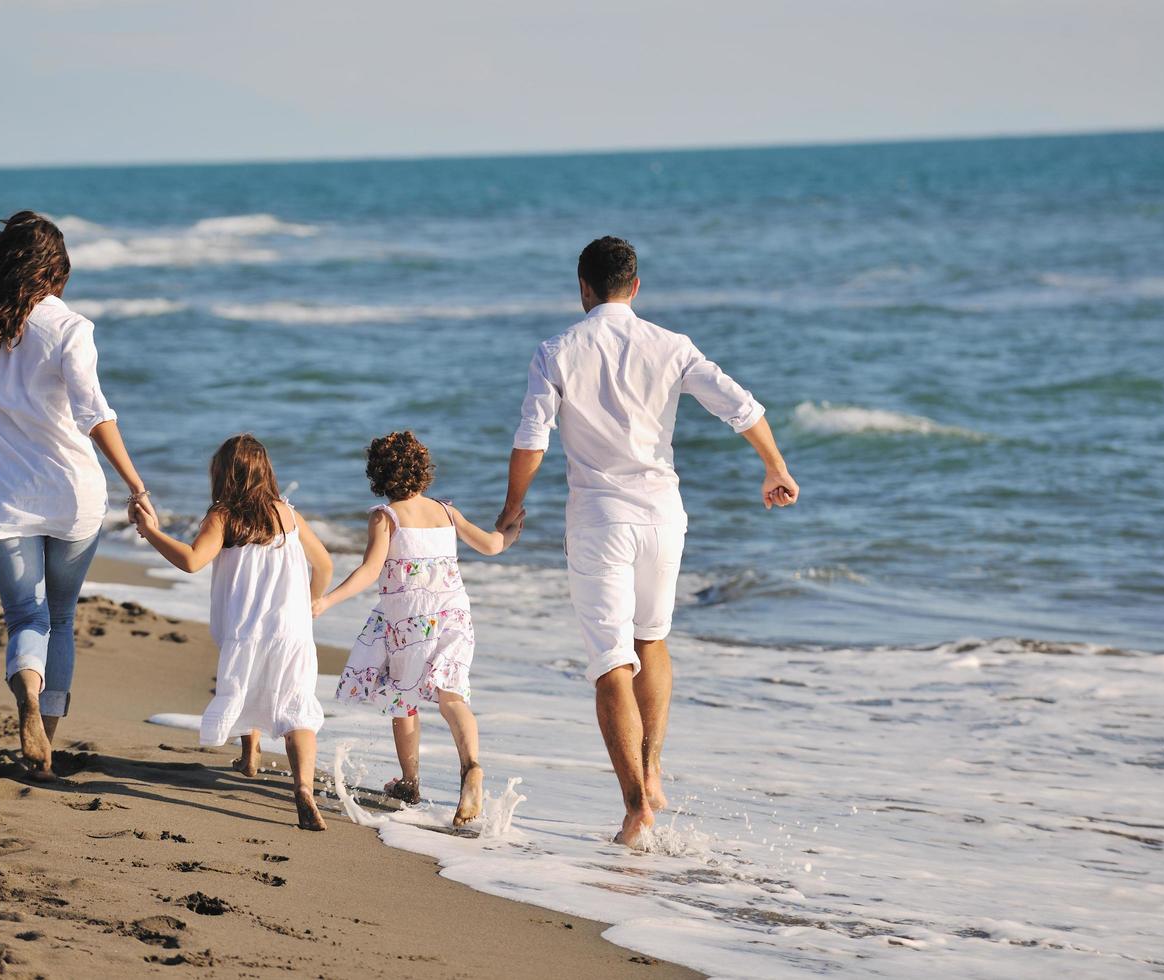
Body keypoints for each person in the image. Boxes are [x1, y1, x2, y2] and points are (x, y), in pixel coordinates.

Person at [496, 236, 798, 847]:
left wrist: (512, 509)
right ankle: (653, 770)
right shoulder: (671, 345)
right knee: (652, 641)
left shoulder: (557, 351)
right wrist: (776, 467)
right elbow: (739, 406)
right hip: (664, 516)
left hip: (599, 519)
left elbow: (534, 440)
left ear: (583, 288)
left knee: (612, 662)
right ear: (635, 288)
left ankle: (636, 807)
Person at [0, 210, 155, 782]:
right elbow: (95, 414)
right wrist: (136, 485)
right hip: (73, 493)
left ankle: (26, 706)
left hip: (3, 496)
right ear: (55, 272)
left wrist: (7, 462)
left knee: (24, 615)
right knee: (61, 617)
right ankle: (49, 735)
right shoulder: (71, 329)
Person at [315, 431, 523, 827]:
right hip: (455, 615)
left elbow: (370, 571)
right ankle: (472, 766)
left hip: (408, 622)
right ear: (423, 471)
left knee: (402, 700)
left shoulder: (386, 516)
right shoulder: (446, 511)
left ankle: (410, 782)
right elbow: (493, 546)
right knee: (452, 696)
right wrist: (511, 531)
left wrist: (327, 600)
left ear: (376, 475)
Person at [135, 434, 333, 831]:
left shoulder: (223, 517)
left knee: (244, 684)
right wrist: (312, 602)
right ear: (266, 473)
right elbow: (324, 564)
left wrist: (150, 531)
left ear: (223, 474)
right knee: (297, 708)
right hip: (291, 630)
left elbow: (192, 561)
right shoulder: (287, 514)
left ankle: (250, 756)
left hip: (245, 630)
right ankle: (304, 790)